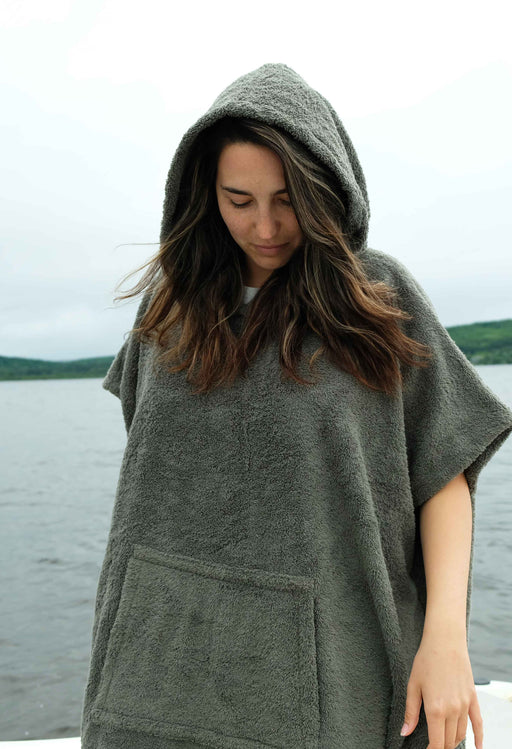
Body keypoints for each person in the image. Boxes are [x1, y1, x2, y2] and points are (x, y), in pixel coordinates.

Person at [80, 63, 512, 749]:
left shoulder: (377, 295)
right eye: (239, 200)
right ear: (204, 192)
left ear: (323, 188)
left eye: (287, 199)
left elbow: (443, 470)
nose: (266, 225)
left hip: (338, 658)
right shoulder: (168, 310)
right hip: (163, 669)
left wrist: (446, 640)